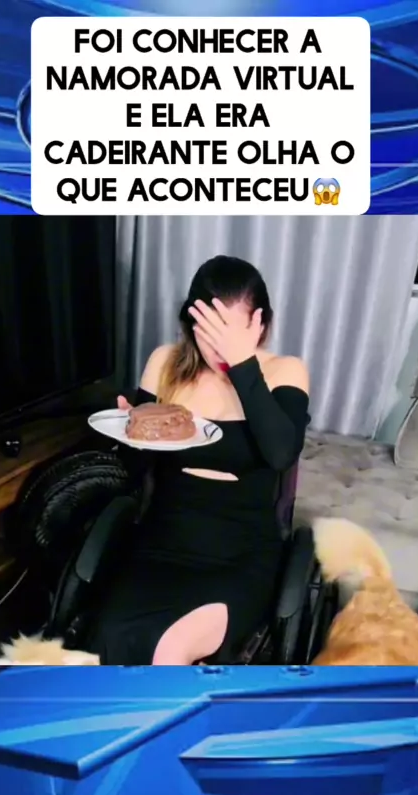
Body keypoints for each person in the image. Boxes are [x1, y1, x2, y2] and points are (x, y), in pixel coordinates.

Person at [87, 255, 310, 665]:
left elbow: (281, 454)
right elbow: (131, 473)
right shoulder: (165, 363)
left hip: (239, 555)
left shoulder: (285, 371)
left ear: (260, 324)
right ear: (192, 325)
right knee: (107, 639)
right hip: (161, 544)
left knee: (169, 650)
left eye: (231, 333)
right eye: (210, 333)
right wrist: (133, 433)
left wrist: (242, 365)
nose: (220, 348)